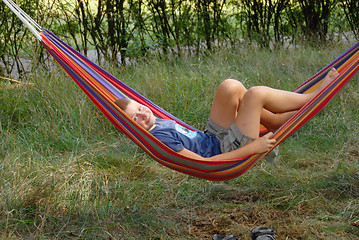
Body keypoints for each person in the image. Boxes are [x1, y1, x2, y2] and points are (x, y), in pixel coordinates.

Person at [114, 68, 339, 161]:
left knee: (229, 86)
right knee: (255, 94)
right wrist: (253, 148)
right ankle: (315, 96)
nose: (143, 115)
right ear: (130, 128)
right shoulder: (158, 139)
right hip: (226, 149)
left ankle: (276, 121)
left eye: (140, 108)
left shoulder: (155, 122)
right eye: (135, 119)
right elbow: (204, 163)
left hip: (213, 137)